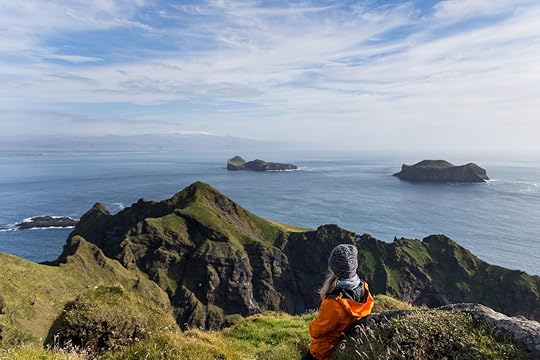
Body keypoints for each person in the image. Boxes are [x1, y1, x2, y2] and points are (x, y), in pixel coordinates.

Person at [302, 244, 374, 360]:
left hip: (322, 351)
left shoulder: (334, 303)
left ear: (333, 268)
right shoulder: (364, 288)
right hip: (341, 344)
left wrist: (313, 324)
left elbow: (316, 331)